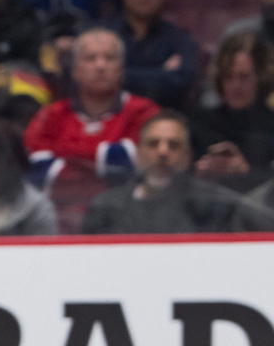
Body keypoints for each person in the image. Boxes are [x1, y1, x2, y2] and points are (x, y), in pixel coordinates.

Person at [23, 26, 158, 225]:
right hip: (59, 222)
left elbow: (140, 173)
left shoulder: (145, 113)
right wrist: (106, 158)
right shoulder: (50, 116)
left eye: (109, 58)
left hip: (130, 220)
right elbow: (37, 175)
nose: (100, 65)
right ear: (75, 70)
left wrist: (68, 160)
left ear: (121, 69)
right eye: (90, 58)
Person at [82, 110, 274, 234]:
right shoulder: (105, 207)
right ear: (139, 153)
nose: (163, 152)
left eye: (173, 145)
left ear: (187, 156)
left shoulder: (210, 207)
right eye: (153, 144)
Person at [190, 33, 274, 194]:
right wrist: (198, 174)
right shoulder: (200, 122)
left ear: (261, 77)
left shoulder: (271, 127)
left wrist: (245, 173)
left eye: (244, 77)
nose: (236, 85)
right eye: (228, 77)